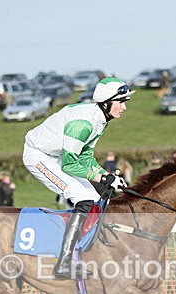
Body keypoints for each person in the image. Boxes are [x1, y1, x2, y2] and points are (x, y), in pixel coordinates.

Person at [22, 76, 131, 278]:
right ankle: (63, 263)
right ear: (106, 102)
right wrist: (103, 179)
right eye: (120, 102)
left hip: (55, 155)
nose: (123, 107)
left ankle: (84, 250)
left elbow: (85, 158)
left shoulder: (100, 120)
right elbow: (70, 164)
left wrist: (107, 176)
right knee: (82, 196)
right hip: (38, 155)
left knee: (93, 196)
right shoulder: (84, 124)